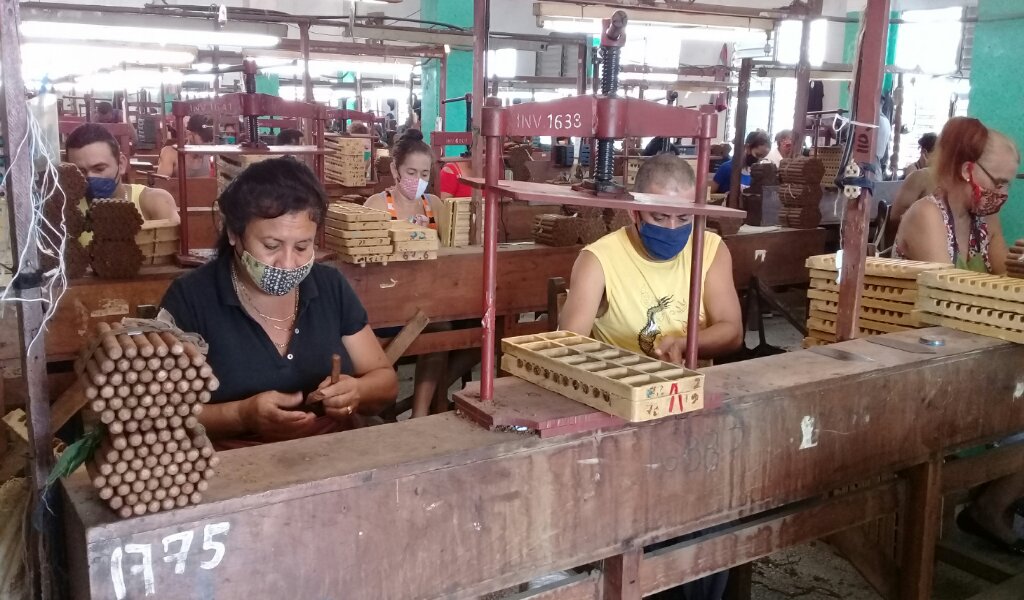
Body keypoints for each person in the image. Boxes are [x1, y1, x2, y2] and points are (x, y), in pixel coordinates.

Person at [159, 157, 397, 448]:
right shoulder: (192, 297)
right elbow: (162, 414)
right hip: (232, 466)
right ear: (234, 234)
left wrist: (357, 391)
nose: (287, 263)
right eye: (271, 246)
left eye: (302, 246)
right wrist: (240, 416)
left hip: (332, 453)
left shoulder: (329, 286)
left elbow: (385, 381)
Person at [560, 153, 743, 365]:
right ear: (633, 212)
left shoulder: (710, 249)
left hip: (693, 386)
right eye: (660, 217)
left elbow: (732, 331)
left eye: (684, 217)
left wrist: (681, 345)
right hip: (623, 387)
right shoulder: (598, 261)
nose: (673, 227)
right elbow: (569, 347)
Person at [894, 116, 1015, 275]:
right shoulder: (926, 214)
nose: (1003, 193)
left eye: (1007, 185)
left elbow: (1006, 280)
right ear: (967, 171)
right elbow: (946, 292)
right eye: (998, 183)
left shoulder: (986, 220)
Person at [65, 123, 179, 240]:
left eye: (99, 169)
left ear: (121, 164)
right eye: (81, 171)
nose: (90, 177)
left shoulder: (155, 202)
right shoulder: (68, 211)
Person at [366, 129, 443, 227]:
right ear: (394, 169)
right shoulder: (377, 205)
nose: (418, 180)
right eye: (411, 173)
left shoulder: (435, 205)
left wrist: (428, 235)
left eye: (424, 174)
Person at [891, 133, 939, 222]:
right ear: (925, 154)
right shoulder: (913, 171)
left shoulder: (931, 175)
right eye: (938, 155)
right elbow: (898, 215)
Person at [709, 131, 770, 195]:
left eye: (763, 157)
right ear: (747, 147)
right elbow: (708, 194)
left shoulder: (759, 174)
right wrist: (725, 197)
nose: (759, 160)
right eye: (758, 155)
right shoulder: (727, 168)